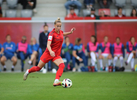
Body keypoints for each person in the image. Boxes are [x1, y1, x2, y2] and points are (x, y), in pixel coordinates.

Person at [23, 18, 75, 87]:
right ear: (54, 25)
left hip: (56, 55)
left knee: (62, 65)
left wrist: (70, 32)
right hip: (48, 53)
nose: (59, 27)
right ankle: (28, 71)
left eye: (60, 26)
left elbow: (63, 34)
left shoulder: (61, 32)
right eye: (57, 26)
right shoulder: (51, 33)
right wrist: (50, 51)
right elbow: (48, 44)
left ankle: (56, 81)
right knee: (38, 68)